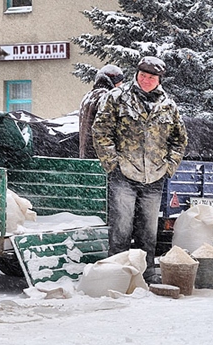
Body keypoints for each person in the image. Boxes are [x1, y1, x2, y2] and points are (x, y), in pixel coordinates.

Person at [92, 56, 188, 283]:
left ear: (159, 80)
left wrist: (169, 167)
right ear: (136, 74)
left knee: (148, 232)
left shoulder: (168, 105)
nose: (146, 80)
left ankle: (147, 275)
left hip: (154, 176)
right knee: (121, 230)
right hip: (123, 174)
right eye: (143, 76)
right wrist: (112, 163)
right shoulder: (117, 98)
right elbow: (100, 131)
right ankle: (115, 275)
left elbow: (180, 140)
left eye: (151, 77)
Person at [77, 64, 124, 158]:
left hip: (87, 156)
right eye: (120, 82)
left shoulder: (89, 96)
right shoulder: (106, 97)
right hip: (101, 157)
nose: (121, 85)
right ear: (113, 81)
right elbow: (107, 129)